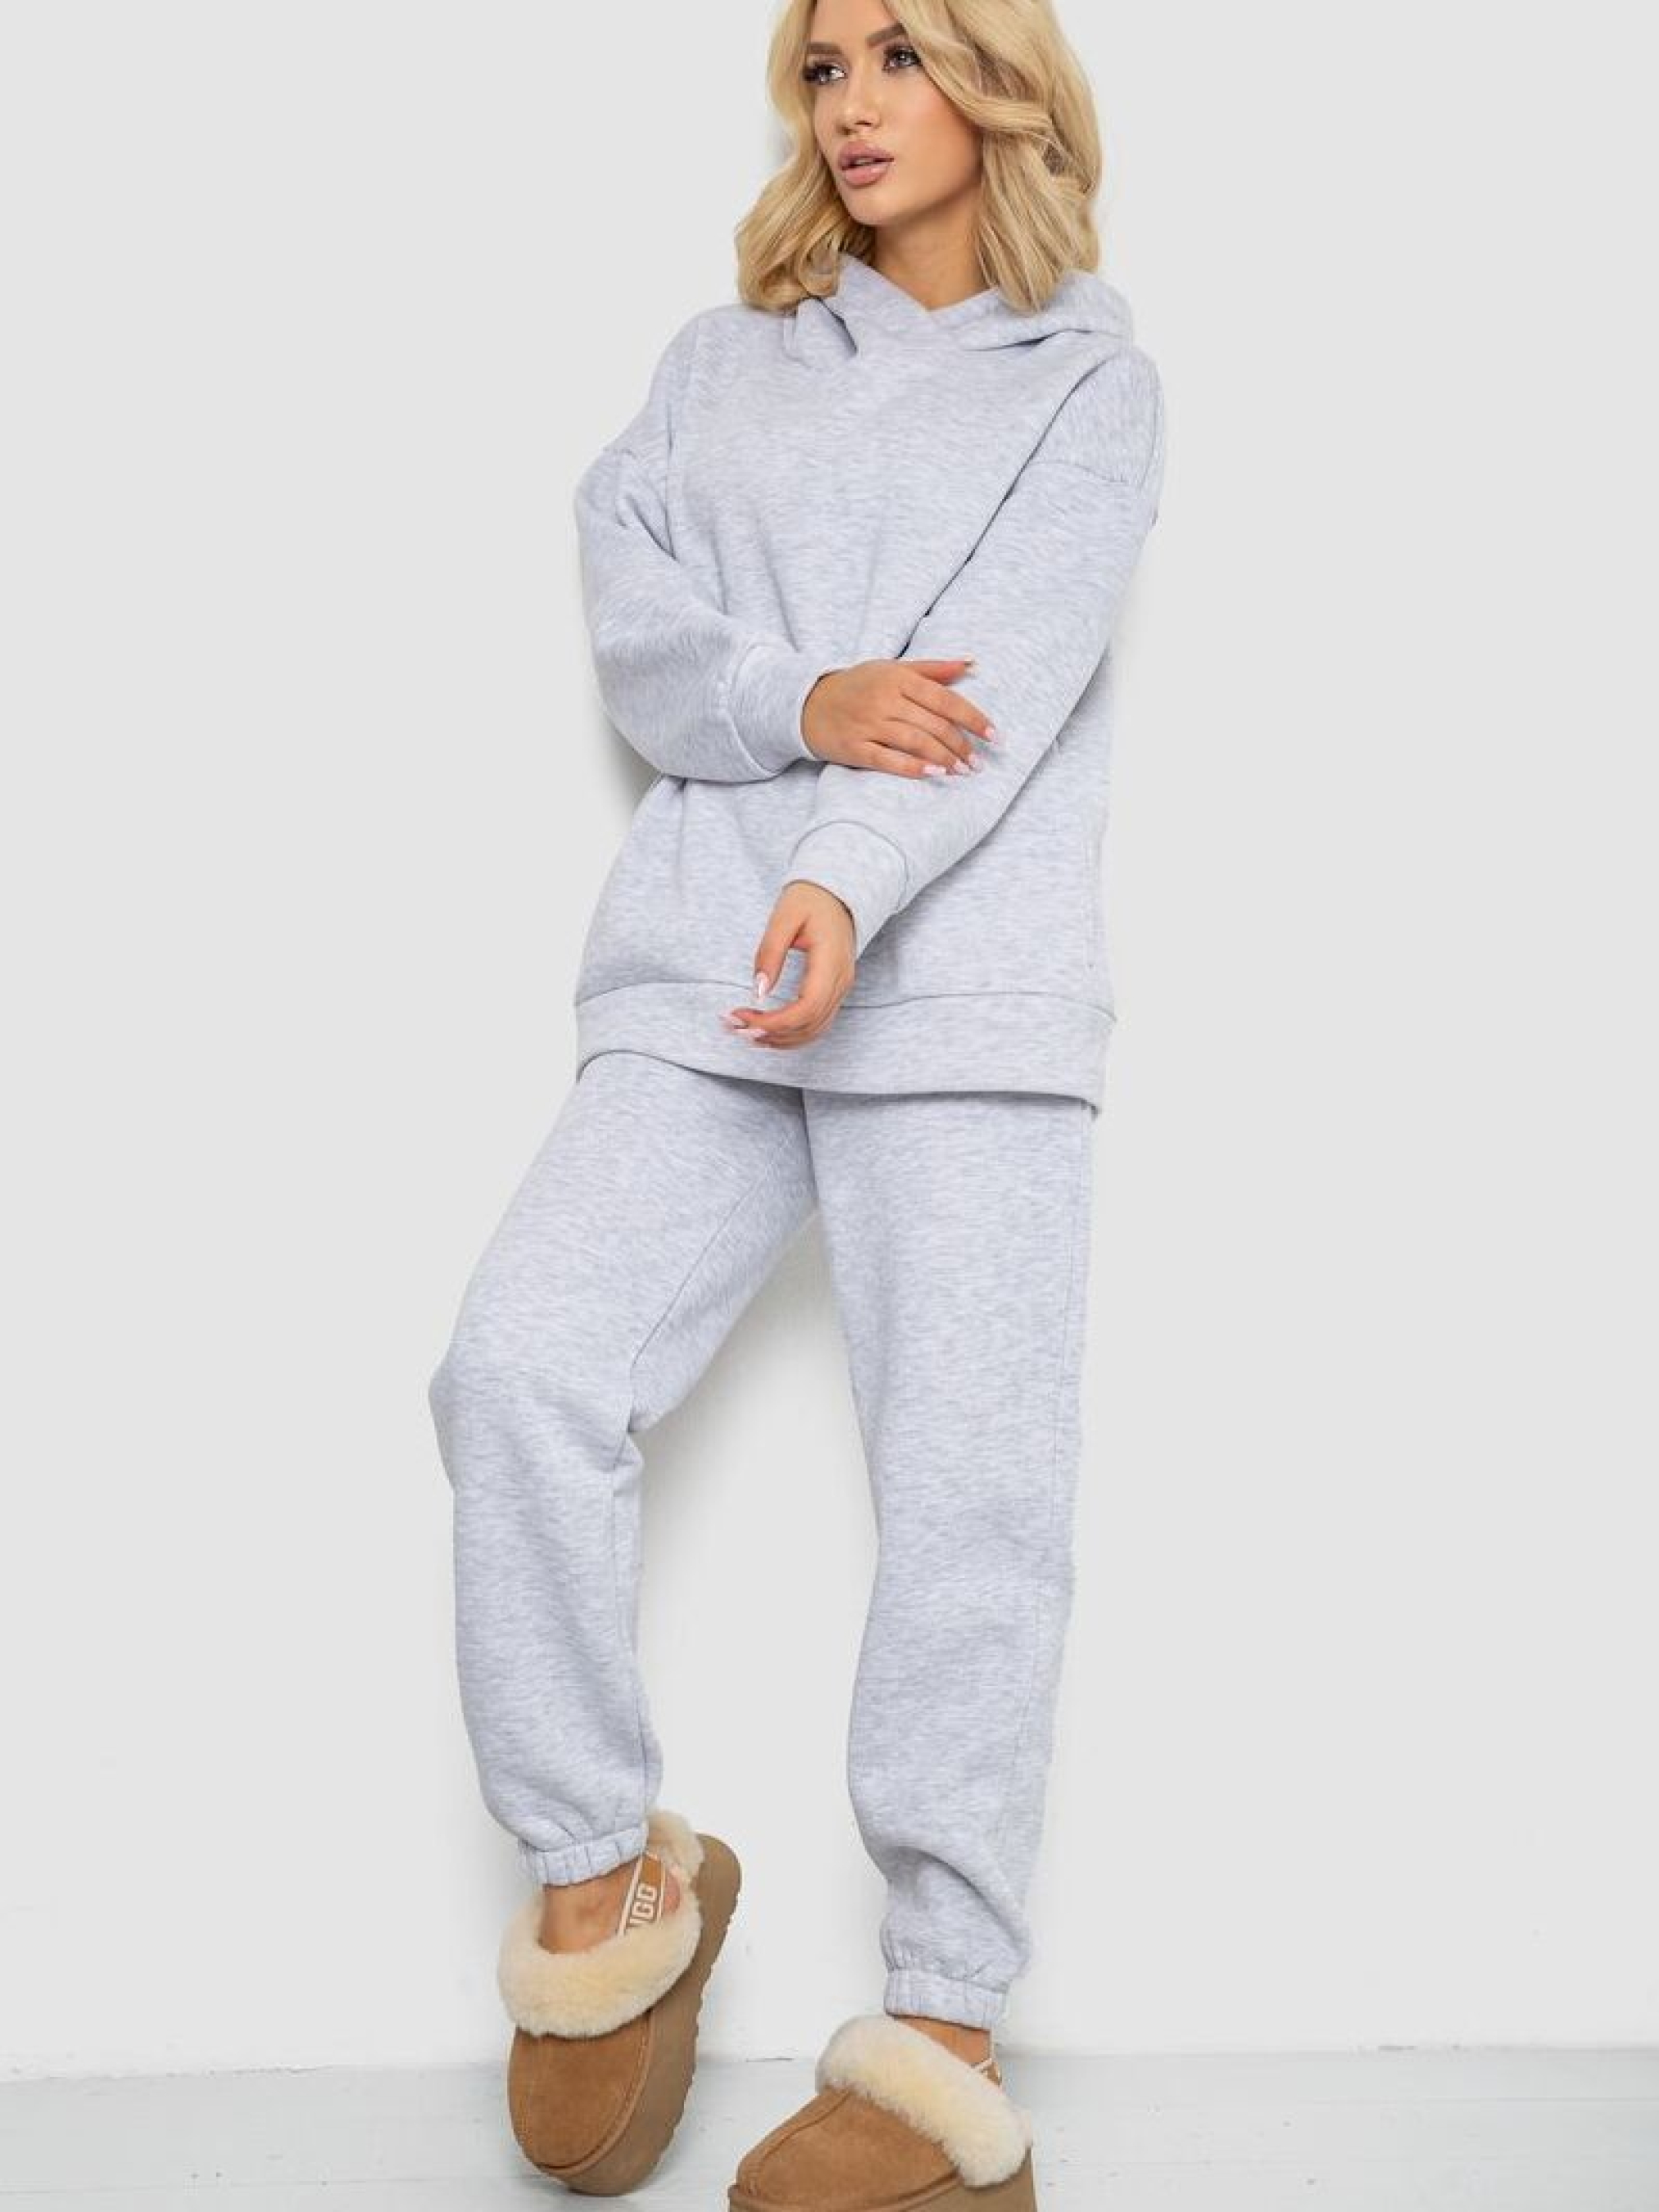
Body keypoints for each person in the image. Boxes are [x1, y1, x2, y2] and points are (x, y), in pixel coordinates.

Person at [426, 0, 1166, 2201]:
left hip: (966, 990)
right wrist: (795, 696)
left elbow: (998, 683)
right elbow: (638, 625)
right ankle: (607, 1877)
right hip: (708, 977)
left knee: (967, 1505)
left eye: (898, 56)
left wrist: (842, 867)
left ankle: (941, 2026)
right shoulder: (716, 362)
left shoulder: (1089, 386)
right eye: (823, 67)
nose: (851, 104)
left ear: (1001, 85)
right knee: (518, 1370)